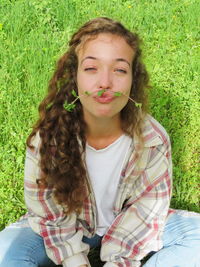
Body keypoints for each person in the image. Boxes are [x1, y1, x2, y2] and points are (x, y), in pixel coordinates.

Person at [0, 17, 199, 267]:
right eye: (91, 68)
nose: (105, 82)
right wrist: (75, 260)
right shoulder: (49, 137)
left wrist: (117, 262)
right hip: (66, 226)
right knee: (4, 252)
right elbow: (48, 213)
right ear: (75, 77)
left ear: (132, 81)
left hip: (127, 226)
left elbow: (147, 209)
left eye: (119, 70)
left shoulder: (152, 140)